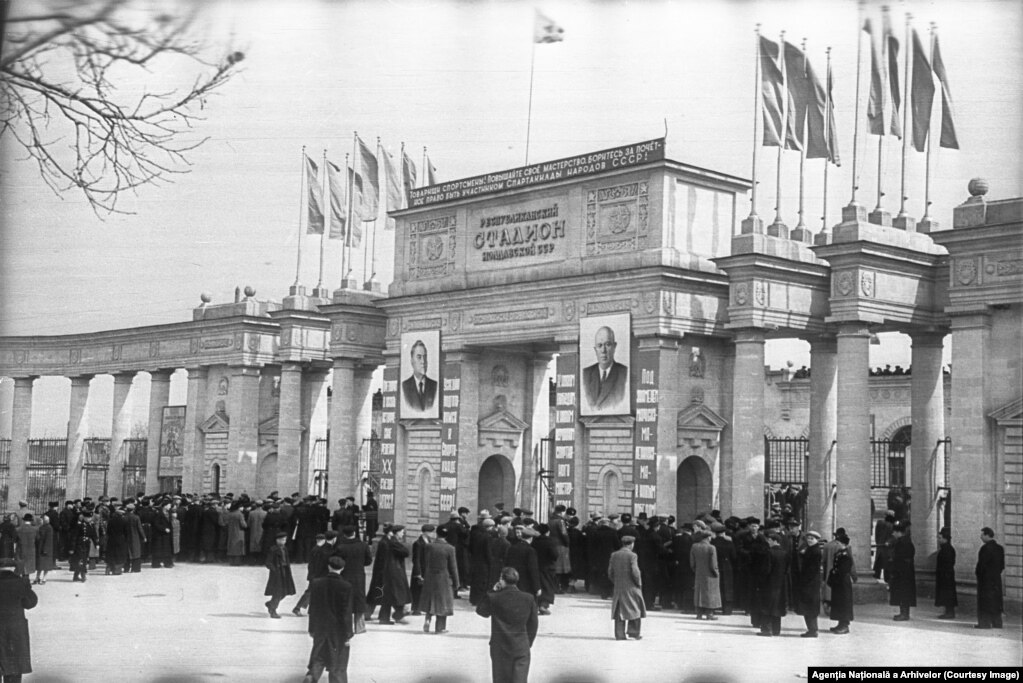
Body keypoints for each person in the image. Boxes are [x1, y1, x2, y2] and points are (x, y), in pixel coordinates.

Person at [476, 567, 539, 683]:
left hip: (500, 647)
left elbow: (481, 611)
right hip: (521, 647)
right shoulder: (529, 598)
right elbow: (533, 624)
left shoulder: (494, 597)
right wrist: (527, 643)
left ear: (501, 579)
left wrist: (492, 591)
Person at [301, 555, 353, 683]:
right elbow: (346, 613)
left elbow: (312, 609)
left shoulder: (317, 583)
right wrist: (348, 634)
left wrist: (311, 628)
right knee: (338, 660)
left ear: (328, 567)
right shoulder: (346, 586)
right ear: (342, 568)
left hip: (320, 626)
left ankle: (312, 675)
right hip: (337, 629)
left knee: (319, 654)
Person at [0, 557, 38, 683]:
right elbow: (30, 603)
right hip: (15, 631)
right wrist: (27, 586)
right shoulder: (20, 582)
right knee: (14, 667)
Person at [419, 525, 459, 634]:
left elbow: (425, 562)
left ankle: (427, 618)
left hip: (430, 576)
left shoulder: (429, 546)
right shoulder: (450, 548)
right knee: (443, 602)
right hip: (444, 578)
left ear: (437, 534)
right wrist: (456, 582)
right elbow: (453, 567)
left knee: (430, 600)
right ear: (446, 536)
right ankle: (440, 627)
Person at [332, 525, 372, 634]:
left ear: (344, 535)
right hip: (359, 575)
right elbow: (368, 561)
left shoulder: (340, 547)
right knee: (359, 600)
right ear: (354, 533)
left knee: (346, 601)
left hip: (345, 576)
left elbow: (336, 562)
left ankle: (346, 627)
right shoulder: (363, 545)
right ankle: (360, 627)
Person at [581, 326, 628, 413]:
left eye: (608, 344)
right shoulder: (585, 374)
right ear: (595, 350)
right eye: (599, 345)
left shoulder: (624, 373)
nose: (603, 350)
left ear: (614, 346)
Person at [608, 535, 645, 640]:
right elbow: (635, 571)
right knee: (635, 608)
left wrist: (616, 581)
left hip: (619, 586)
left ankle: (619, 634)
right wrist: (639, 583)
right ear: (631, 544)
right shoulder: (632, 555)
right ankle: (634, 632)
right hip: (631, 586)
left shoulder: (614, 555)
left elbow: (610, 572)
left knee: (619, 610)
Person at [756, 530, 789, 637]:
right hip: (781, 584)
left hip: (769, 583)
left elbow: (766, 570)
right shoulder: (785, 553)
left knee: (767, 605)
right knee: (778, 606)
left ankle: (766, 629)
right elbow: (787, 569)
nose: (768, 542)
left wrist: (760, 581)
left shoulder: (769, 552)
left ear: (775, 541)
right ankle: (776, 630)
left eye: (769, 540)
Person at [293, 533, 332, 616]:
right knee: (310, 592)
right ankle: (297, 607)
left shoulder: (318, 549)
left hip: (316, 575)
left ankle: (306, 609)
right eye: (318, 540)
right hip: (317, 575)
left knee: (312, 592)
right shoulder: (318, 550)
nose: (319, 541)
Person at [794, 530, 823, 637]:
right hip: (809, 583)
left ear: (817, 540)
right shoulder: (810, 549)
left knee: (809, 607)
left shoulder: (814, 551)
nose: (810, 540)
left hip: (810, 583)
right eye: (808, 538)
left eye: (812, 538)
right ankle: (812, 629)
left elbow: (811, 569)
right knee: (809, 607)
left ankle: (813, 630)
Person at [975, 526, 1005, 629]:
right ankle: (997, 623)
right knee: (996, 601)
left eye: (982, 535)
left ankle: (984, 624)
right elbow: (1002, 566)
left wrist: (979, 576)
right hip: (996, 580)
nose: (981, 537)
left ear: (987, 535)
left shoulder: (985, 548)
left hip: (985, 581)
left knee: (984, 602)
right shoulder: (1000, 548)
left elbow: (981, 566)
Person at [826, 532, 854, 634]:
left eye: (839, 543)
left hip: (843, 582)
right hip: (838, 582)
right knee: (838, 603)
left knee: (844, 603)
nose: (837, 544)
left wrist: (835, 573)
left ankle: (844, 625)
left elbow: (844, 570)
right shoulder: (839, 553)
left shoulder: (846, 555)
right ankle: (840, 623)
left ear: (844, 544)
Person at [888, 521, 916, 621]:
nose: (893, 534)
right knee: (902, 592)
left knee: (904, 593)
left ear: (899, 532)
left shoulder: (903, 543)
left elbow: (903, 558)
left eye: (894, 532)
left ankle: (904, 614)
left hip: (903, 573)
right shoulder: (904, 542)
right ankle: (903, 612)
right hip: (903, 572)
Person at [401, 339, 438, 414]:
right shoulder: (404, 386)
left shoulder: (435, 385)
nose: (423, 361)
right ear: (412, 361)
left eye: (425, 357)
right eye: (419, 357)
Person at [264, 531, 296, 618]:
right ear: (277, 540)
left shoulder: (285, 549)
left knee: (285, 591)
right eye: (282, 540)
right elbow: (268, 563)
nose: (284, 541)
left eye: (285, 540)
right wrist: (275, 569)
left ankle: (271, 604)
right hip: (277, 574)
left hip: (285, 572)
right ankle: (273, 610)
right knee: (278, 592)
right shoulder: (273, 549)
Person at [690, 529, 720, 620]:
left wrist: (695, 570)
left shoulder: (694, 546)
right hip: (710, 574)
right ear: (708, 537)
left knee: (699, 592)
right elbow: (713, 564)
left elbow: (692, 562)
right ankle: (709, 614)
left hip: (699, 573)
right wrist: (716, 573)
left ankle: (699, 614)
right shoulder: (712, 548)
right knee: (710, 593)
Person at [934, 527, 958, 619]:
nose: (938, 540)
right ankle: (948, 612)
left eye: (940, 538)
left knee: (948, 594)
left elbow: (948, 563)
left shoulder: (947, 549)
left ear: (945, 539)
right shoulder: (946, 549)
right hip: (945, 575)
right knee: (946, 594)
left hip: (946, 575)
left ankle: (950, 612)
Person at [410, 524, 432, 615]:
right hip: (420, 569)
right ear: (426, 532)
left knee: (424, 589)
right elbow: (416, 559)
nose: (431, 533)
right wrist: (418, 572)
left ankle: (422, 607)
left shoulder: (429, 541)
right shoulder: (418, 543)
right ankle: (416, 608)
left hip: (426, 568)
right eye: (430, 531)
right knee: (417, 590)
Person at [33, 514, 55, 585]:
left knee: (45, 565)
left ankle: (44, 578)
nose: (40, 521)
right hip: (40, 547)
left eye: (41, 520)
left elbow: (48, 540)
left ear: (45, 521)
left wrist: (45, 549)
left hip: (45, 549)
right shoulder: (41, 527)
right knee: (40, 564)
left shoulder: (49, 528)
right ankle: (37, 578)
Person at [14, 516, 36, 581]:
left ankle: (18, 579)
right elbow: (37, 539)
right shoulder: (34, 529)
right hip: (30, 550)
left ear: (23, 521)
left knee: (20, 564)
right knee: (28, 565)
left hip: (21, 549)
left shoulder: (18, 529)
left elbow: (15, 540)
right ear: (31, 521)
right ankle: (26, 579)